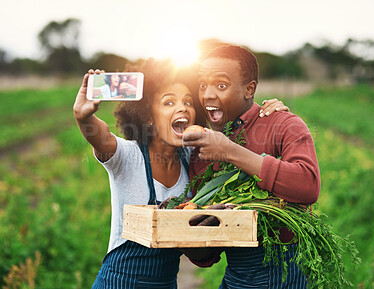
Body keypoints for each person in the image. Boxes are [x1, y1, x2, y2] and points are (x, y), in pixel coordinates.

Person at [73, 57, 288, 288]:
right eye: (168, 103)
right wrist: (84, 116)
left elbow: (236, 143)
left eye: (188, 102)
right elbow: (101, 137)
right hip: (118, 281)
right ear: (147, 115)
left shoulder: (192, 158)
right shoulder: (127, 156)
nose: (182, 107)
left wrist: (268, 114)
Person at [182, 45, 320, 288]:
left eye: (221, 85)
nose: (208, 95)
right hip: (238, 272)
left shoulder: (283, 124)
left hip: (285, 269)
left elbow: (308, 185)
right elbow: (207, 255)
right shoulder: (201, 152)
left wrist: (229, 151)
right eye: (203, 85)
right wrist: (190, 234)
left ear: (249, 89)